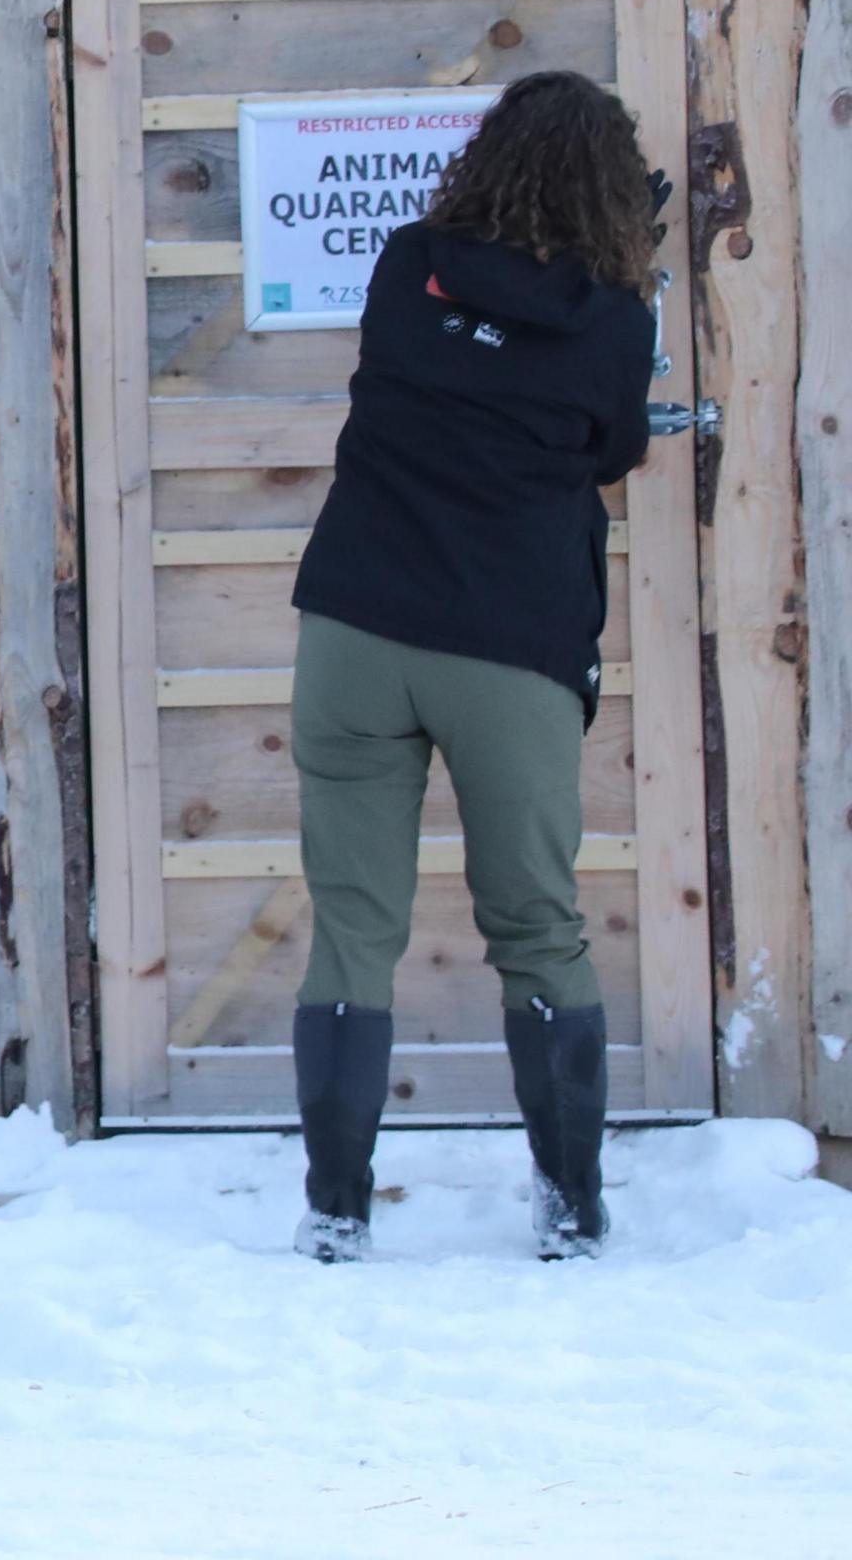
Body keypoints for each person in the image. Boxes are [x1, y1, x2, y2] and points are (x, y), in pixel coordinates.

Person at [287, 71, 664, 1264]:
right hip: (511, 646)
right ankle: (571, 1205)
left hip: (354, 629)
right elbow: (613, 447)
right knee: (540, 929)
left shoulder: (409, 265)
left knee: (352, 928)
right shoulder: (616, 315)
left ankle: (337, 1209)